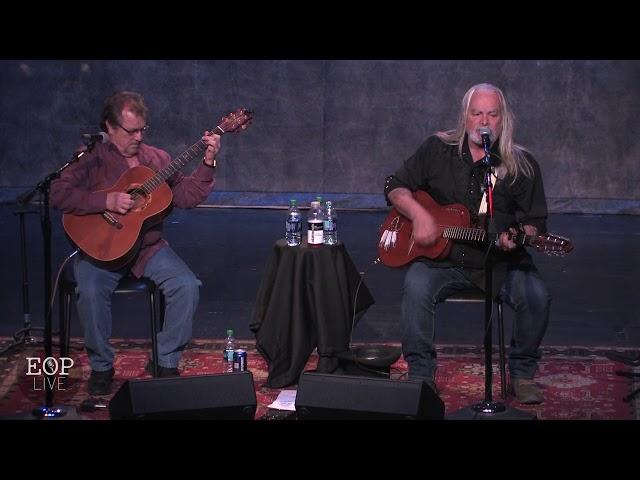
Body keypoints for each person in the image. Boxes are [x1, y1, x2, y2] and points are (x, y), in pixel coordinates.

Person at [384, 83, 551, 404]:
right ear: (465, 116)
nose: (483, 121)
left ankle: (522, 373)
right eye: (477, 113)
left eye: (492, 114)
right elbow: (395, 185)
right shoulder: (437, 149)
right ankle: (421, 374)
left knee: (536, 294)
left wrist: (518, 236)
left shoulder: (522, 165)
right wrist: (419, 214)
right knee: (416, 285)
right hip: (445, 259)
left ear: (504, 119)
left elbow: (536, 223)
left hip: (501, 261)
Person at [51, 91, 221, 395]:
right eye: (131, 131)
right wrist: (106, 200)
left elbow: (186, 196)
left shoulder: (157, 159)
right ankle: (102, 366)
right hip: (101, 251)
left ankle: (165, 359)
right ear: (110, 127)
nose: (139, 137)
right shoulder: (90, 158)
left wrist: (207, 162)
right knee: (89, 290)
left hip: (147, 248)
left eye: (143, 129)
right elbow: (59, 194)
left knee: (187, 286)